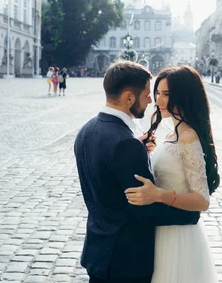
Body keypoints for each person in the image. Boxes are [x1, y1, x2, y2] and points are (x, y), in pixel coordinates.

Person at [74, 61, 200, 283]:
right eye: (146, 94)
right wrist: (190, 214)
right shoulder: (126, 144)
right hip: (126, 262)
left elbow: (108, 180)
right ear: (129, 98)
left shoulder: (87, 130)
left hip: (98, 251)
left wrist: (138, 149)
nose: (151, 100)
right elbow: (144, 212)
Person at [125, 65, 219, 283]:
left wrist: (158, 195)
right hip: (160, 230)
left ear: (184, 95)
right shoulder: (169, 132)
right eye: (157, 93)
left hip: (179, 237)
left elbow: (202, 201)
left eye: (166, 94)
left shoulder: (187, 136)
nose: (158, 100)